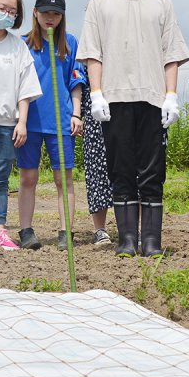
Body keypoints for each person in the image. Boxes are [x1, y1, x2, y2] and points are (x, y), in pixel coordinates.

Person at [78, 0, 189, 258]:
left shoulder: (162, 3)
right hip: (113, 98)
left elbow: (171, 54)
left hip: (153, 97)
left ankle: (152, 240)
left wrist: (171, 95)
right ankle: (127, 238)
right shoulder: (101, 3)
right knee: (120, 168)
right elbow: (93, 53)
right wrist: (97, 93)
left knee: (153, 170)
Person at [17, 0, 85, 251]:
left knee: (63, 179)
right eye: (46, 13)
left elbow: (76, 81)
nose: (50, 18)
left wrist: (76, 114)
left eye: (56, 14)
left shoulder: (69, 43)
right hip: (30, 122)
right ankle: (26, 230)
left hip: (61, 121)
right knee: (28, 177)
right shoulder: (22, 44)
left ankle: (65, 232)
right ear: (35, 12)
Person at [0, 0, 42, 250]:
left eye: (12, 11)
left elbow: (25, 89)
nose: (6, 13)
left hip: (5, 124)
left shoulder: (18, 47)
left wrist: (22, 122)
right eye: (2, 8)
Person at [81, 68, 114, 246]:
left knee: (132, 171)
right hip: (95, 119)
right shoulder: (89, 52)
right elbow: (80, 86)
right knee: (97, 173)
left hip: (125, 109)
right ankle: (100, 229)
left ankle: (133, 228)